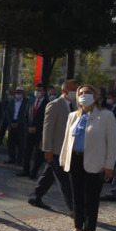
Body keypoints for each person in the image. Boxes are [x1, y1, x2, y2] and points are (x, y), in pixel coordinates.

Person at [60, 84, 116, 231]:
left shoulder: (106, 116)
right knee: (76, 197)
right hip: (75, 160)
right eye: (81, 93)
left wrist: (109, 165)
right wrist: (64, 160)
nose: (84, 95)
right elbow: (67, 140)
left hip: (95, 162)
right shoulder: (73, 116)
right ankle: (77, 227)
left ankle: (88, 230)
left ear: (96, 95)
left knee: (91, 198)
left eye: (88, 92)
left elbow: (112, 143)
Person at [28, 80, 78, 211]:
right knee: (64, 180)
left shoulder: (75, 105)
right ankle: (74, 210)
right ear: (64, 90)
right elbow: (47, 129)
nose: (75, 92)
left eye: (76, 89)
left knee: (49, 175)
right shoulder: (54, 105)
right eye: (73, 89)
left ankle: (35, 196)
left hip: (68, 148)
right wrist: (47, 149)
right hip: (55, 149)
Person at [18, 84, 48, 179]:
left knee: (38, 154)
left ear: (44, 92)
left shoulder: (48, 104)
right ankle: (25, 170)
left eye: (40, 90)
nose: (37, 92)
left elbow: (47, 120)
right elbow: (25, 116)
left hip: (40, 133)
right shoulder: (31, 102)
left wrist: (37, 128)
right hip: (29, 131)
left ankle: (34, 172)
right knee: (27, 151)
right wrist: (28, 127)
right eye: (36, 89)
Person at [4, 87, 27, 164]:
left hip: (21, 125)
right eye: (17, 92)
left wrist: (18, 123)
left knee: (21, 143)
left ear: (23, 94)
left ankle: (19, 160)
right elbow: (8, 113)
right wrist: (10, 123)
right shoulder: (11, 101)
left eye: (20, 93)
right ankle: (11, 158)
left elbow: (26, 115)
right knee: (11, 142)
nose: (18, 94)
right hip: (12, 123)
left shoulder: (26, 102)